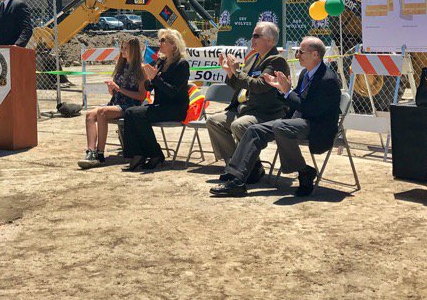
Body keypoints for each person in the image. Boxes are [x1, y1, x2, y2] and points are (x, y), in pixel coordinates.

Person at [210, 36, 341, 198]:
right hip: (298, 121)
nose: (297, 55)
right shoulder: (305, 74)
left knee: (281, 127)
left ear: (315, 55)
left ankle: (304, 171)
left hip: (318, 126)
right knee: (254, 130)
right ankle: (237, 179)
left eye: (300, 51)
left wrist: (287, 92)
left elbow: (312, 110)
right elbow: (296, 103)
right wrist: (281, 90)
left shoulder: (328, 79)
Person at [205, 21, 289, 181]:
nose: (252, 39)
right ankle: (235, 166)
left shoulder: (276, 61)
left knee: (239, 125)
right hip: (245, 109)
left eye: (256, 36)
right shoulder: (253, 59)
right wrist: (230, 73)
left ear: (270, 41)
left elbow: (259, 86)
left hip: (265, 113)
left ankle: (247, 167)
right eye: (252, 35)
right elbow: (239, 84)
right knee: (213, 121)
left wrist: (237, 72)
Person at [120, 28, 190, 171]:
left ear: (173, 44)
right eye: (160, 40)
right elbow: (150, 88)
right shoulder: (161, 61)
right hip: (160, 106)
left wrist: (155, 78)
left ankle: (155, 154)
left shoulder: (181, 64)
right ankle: (137, 154)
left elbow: (172, 92)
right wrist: (148, 79)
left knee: (139, 115)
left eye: (163, 40)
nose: (160, 43)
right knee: (129, 112)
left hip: (174, 108)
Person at [77, 38, 147, 169]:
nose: (123, 51)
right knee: (89, 115)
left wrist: (120, 89)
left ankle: (100, 154)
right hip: (117, 102)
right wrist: (112, 90)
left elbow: (141, 96)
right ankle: (91, 151)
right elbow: (116, 94)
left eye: (126, 48)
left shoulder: (141, 69)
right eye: (122, 48)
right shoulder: (120, 66)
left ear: (134, 50)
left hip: (131, 105)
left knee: (102, 112)